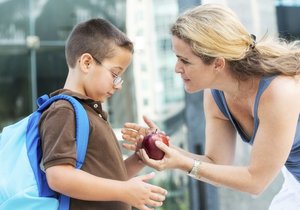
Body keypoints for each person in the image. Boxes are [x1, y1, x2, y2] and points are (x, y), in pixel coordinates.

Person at [121, 4, 300, 210]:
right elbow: (215, 164)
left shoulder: (278, 91)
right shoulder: (216, 94)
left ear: (218, 63)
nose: (177, 68)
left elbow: (255, 181)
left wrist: (182, 163)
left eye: (185, 61)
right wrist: (165, 149)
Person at [39, 18, 167, 210]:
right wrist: (124, 191)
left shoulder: (91, 113)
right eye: (115, 75)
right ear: (87, 63)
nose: (118, 85)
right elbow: (58, 176)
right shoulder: (63, 110)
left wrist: (140, 157)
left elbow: (109, 180)